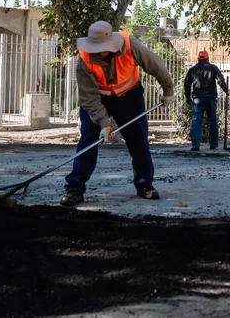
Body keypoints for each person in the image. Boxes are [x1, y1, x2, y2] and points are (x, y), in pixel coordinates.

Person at [62, 21, 175, 206]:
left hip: (129, 96)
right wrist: (104, 123)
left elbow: (157, 66)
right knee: (88, 140)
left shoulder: (131, 46)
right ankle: (75, 188)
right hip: (98, 98)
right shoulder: (85, 58)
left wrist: (168, 91)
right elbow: (89, 97)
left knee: (138, 140)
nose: (97, 52)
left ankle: (144, 184)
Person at [184, 50, 230, 152]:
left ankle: (195, 145)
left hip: (197, 99)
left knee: (196, 121)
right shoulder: (213, 68)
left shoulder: (193, 69)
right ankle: (213, 144)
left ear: (198, 58)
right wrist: (226, 91)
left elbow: (187, 83)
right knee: (212, 121)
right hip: (210, 98)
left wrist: (187, 97)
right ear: (207, 58)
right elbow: (220, 81)